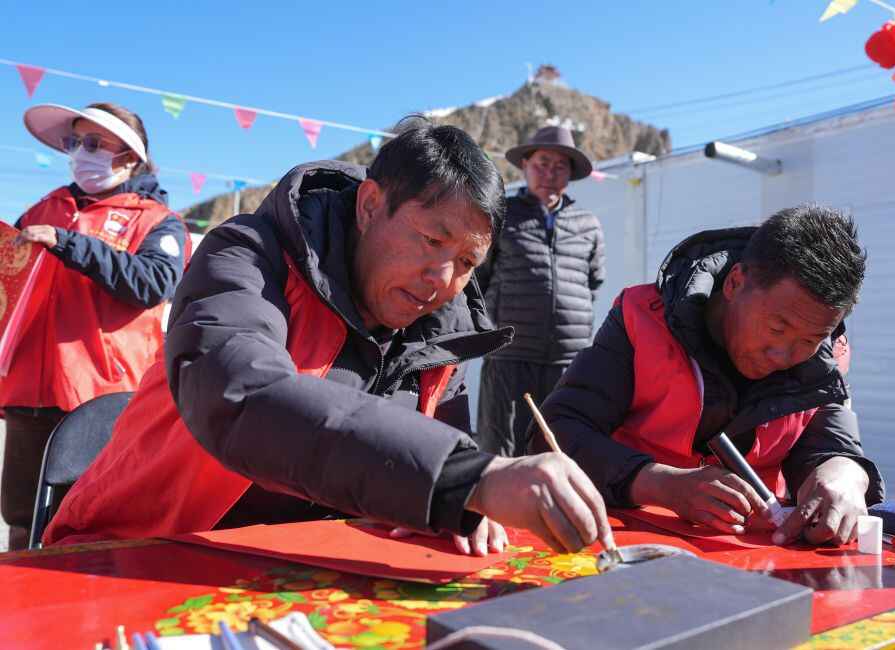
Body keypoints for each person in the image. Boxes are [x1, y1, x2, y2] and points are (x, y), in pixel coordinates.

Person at [44, 120, 615, 558]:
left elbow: (432, 452)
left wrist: (467, 506)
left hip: (298, 575)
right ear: (370, 206)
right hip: (136, 555)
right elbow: (241, 394)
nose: (443, 279)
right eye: (430, 239)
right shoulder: (249, 254)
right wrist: (471, 479)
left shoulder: (444, 332)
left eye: (467, 261)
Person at [532, 205, 885, 547]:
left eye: (809, 340)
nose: (783, 356)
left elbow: (833, 446)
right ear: (734, 283)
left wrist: (847, 474)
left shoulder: (822, 362)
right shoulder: (642, 319)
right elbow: (555, 431)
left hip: (755, 554)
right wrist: (659, 484)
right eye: (777, 328)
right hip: (630, 541)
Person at [0, 102, 190, 550]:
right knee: (23, 519)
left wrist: (69, 244)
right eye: (73, 142)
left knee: (88, 521)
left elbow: (154, 283)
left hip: (100, 399)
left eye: (93, 143)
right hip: (29, 392)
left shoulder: (158, 221)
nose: (79, 153)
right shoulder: (42, 208)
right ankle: (20, 614)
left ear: (129, 155)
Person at [476, 126, 605, 456]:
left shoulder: (588, 224)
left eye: (560, 165)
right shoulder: (501, 216)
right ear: (525, 166)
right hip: (509, 355)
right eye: (542, 162)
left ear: (571, 173)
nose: (550, 172)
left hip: (569, 359)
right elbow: (479, 278)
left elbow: (592, 283)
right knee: (500, 450)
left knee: (559, 447)